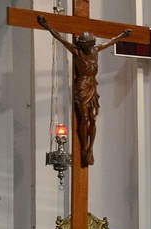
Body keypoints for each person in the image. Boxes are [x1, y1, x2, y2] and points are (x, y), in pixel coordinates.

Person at [37, 15, 133, 168]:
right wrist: (47, 25)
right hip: (82, 87)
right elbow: (60, 38)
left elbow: (111, 42)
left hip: (93, 86)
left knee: (93, 118)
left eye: (90, 44)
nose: (88, 47)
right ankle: (83, 148)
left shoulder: (96, 50)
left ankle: (90, 149)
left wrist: (123, 35)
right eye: (86, 45)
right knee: (85, 118)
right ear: (81, 45)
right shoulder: (77, 52)